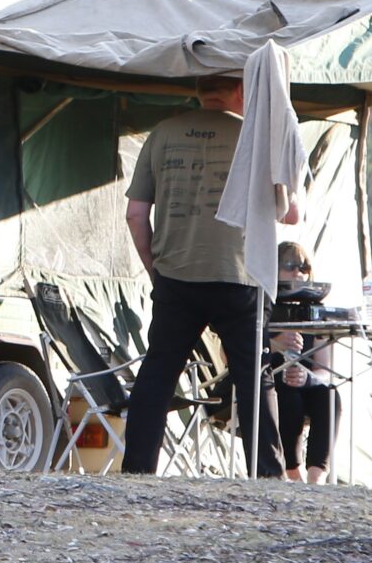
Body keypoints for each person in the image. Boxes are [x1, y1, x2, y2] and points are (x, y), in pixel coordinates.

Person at [119, 80, 300, 476]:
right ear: (241, 90)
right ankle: (269, 476)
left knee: (158, 374)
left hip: (176, 274)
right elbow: (290, 214)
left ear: (198, 88)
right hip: (240, 274)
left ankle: (136, 473)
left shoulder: (162, 133)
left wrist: (156, 270)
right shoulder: (255, 139)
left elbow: (135, 214)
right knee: (255, 377)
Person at [267, 239, 334, 483]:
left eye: (303, 267)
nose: (297, 272)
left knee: (329, 395)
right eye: (289, 265)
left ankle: (317, 476)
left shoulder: (316, 311)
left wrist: (310, 378)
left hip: (304, 381)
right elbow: (229, 353)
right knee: (286, 397)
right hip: (270, 382)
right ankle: (292, 472)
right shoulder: (262, 305)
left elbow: (326, 371)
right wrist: (274, 343)